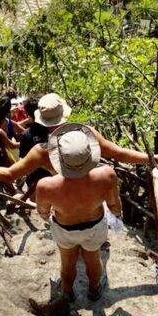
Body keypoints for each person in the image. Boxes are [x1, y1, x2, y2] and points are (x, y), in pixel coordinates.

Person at [0, 92, 158, 184]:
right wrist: (157, 159)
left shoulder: (41, 151)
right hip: (93, 200)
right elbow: (119, 153)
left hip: (65, 207)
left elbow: (9, 174)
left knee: (68, 264)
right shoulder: (87, 133)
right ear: (64, 115)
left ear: (40, 120)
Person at [35, 124, 122, 302]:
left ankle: (67, 292)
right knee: (93, 259)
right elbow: (114, 206)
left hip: (64, 229)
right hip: (95, 227)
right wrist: (117, 216)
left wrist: (50, 212)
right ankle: (94, 289)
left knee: (67, 263)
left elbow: (43, 212)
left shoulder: (46, 185)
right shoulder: (107, 175)